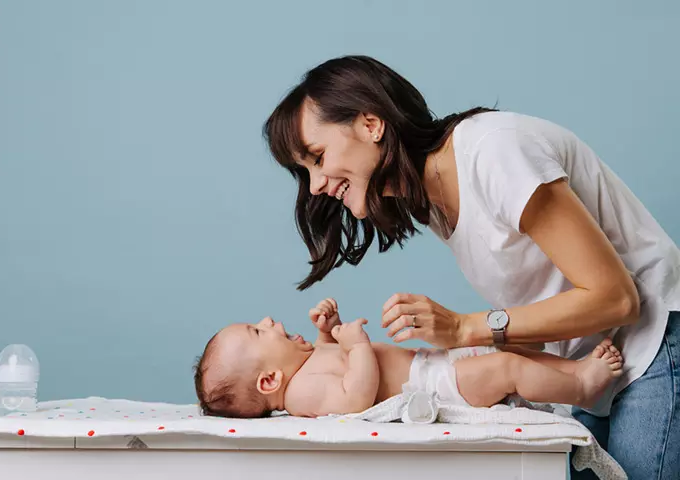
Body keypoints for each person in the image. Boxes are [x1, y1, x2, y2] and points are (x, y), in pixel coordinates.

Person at [261, 55, 680, 479]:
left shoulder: (494, 152)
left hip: (653, 346)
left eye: (317, 157)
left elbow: (616, 298)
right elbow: (544, 298)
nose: (315, 185)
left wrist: (465, 329)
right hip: (599, 369)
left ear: (371, 125)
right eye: (304, 171)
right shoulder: (436, 205)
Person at [194, 298, 623, 419]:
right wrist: (357, 345)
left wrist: (329, 328)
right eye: (257, 330)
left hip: (433, 365)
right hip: (434, 390)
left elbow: (330, 357)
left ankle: (574, 372)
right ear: (269, 381)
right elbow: (353, 398)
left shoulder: (305, 366)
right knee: (506, 369)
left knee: (507, 350)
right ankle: (582, 388)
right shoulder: (301, 393)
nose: (268, 319)